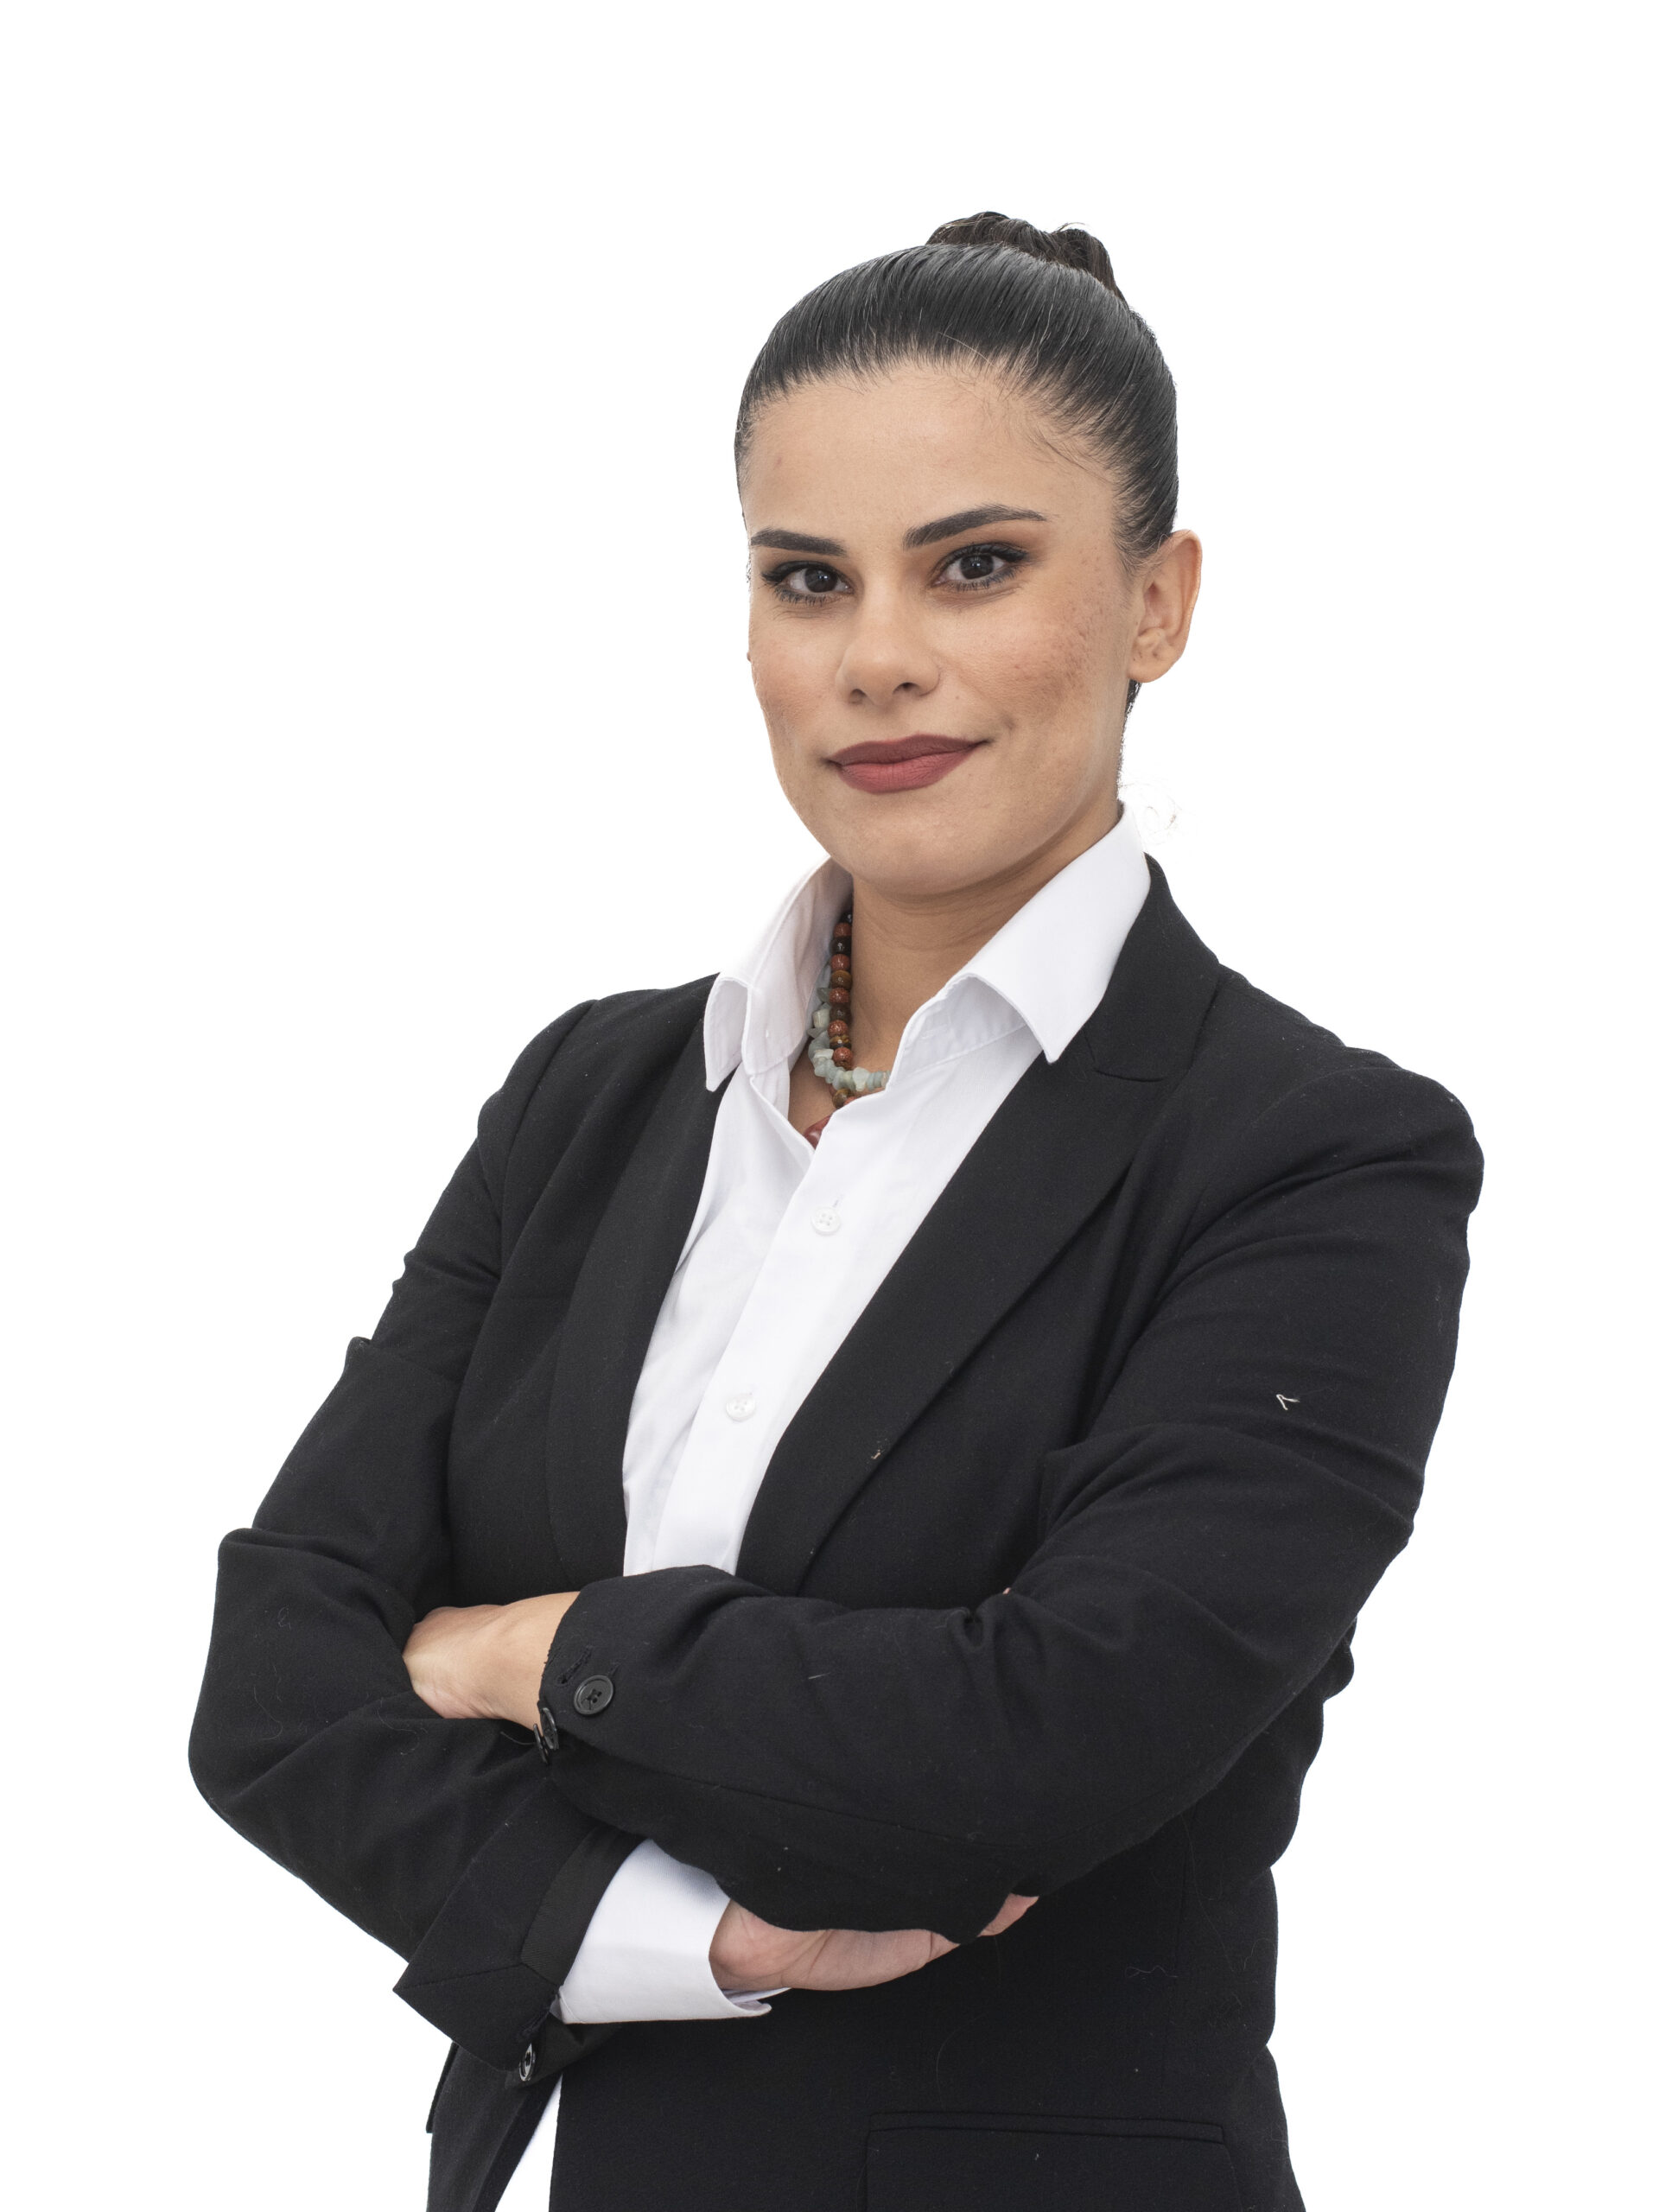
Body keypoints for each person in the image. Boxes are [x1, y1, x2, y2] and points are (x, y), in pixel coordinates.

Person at [190, 212, 1482, 2212]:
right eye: (809, 578)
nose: (876, 654)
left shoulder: (1311, 1157)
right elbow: (277, 1683)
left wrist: (530, 1653)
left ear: (1158, 602)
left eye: (976, 565)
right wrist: (692, 1932)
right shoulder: (594, 1095)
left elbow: (1032, 1748)